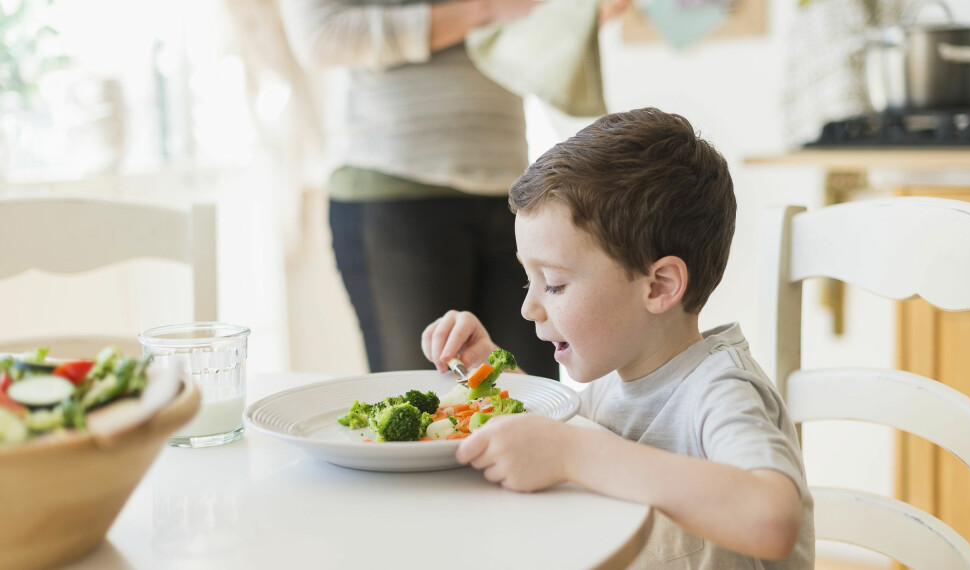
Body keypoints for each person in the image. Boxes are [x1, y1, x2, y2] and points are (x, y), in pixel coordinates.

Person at [421, 108, 815, 568]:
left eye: (555, 282)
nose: (529, 308)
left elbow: (772, 518)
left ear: (659, 286)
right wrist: (490, 367)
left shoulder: (722, 391)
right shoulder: (614, 383)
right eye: (529, 279)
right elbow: (548, 442)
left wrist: (574, 453)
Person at [278, 0, 561, 377]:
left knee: (534, 396)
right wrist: (485, 10)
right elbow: (320, 35)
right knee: (424, 403)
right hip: (395, 188)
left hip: (510, 189)